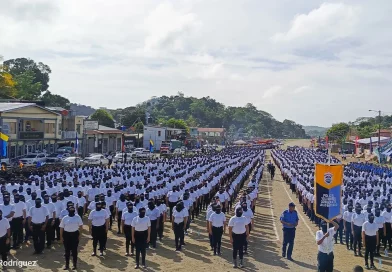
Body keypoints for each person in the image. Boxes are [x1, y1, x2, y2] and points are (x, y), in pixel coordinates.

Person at [60, 205, 83, 270]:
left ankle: (74, 265)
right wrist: (61, 237)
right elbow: (61, 228)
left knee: (74, 251)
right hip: (66, 235)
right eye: (70, 208)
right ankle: (67, 265)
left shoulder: (77, 217)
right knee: (67, 251)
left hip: (75, 235)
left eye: (73, 208)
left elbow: (81, 227)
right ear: (68, 210)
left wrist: (80, 235)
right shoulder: (65, 218)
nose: (72, 209)